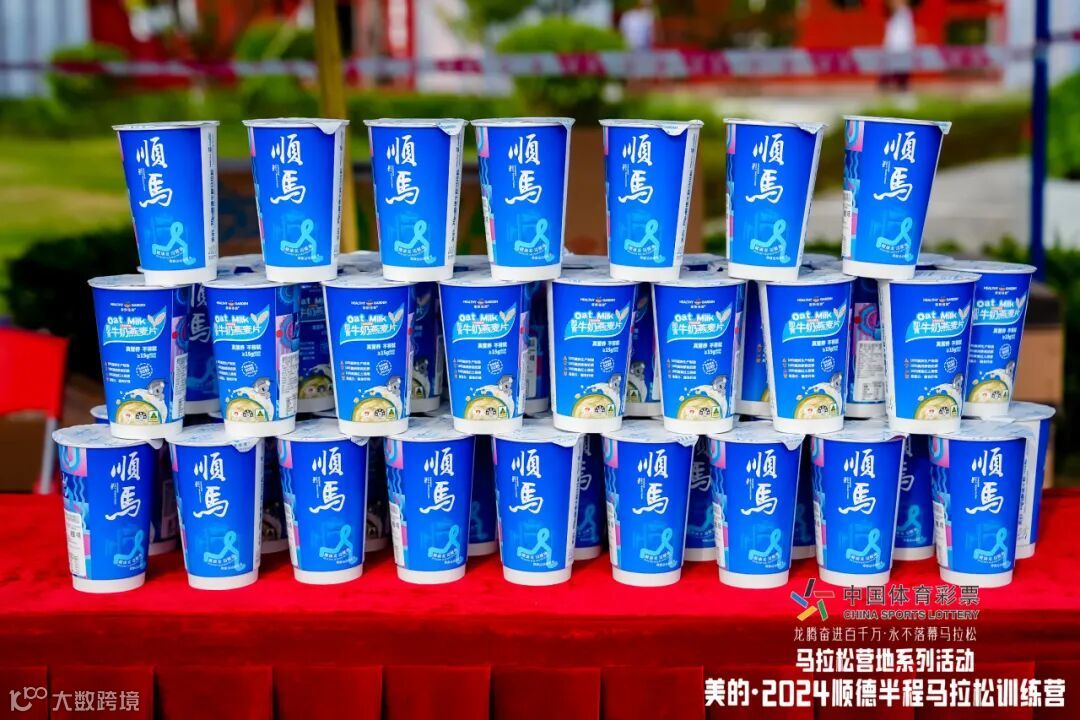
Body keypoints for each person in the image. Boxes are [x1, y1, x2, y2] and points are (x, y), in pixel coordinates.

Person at [881, 0, 915, 92]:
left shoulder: (907, 12)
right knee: (889, 67)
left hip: (904, 44)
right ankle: (886, 85)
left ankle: (901, 85)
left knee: (903, 68)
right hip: (893, 44)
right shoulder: (892, 13)